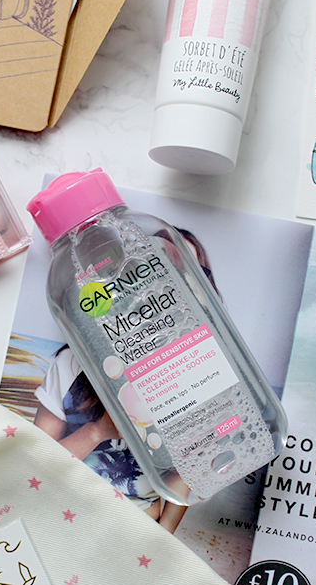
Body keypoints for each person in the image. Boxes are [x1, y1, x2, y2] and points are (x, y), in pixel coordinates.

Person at [32, 227, 222, 534]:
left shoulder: (202, 374)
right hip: (63, 517)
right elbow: (33, 467)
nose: (173, 282)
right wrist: (98, 430)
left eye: (189, 270)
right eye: (159, 267)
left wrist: (162, 537)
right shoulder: (72, 365)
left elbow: (188, 470)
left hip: (138, 532)